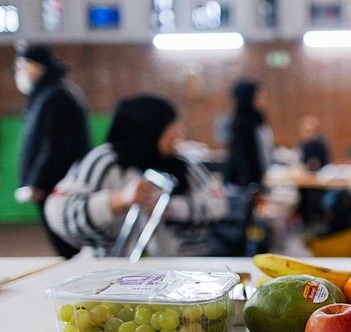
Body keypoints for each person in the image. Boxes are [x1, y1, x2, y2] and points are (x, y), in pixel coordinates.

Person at [44, 95, 229, 257]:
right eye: (171, 126)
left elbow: (219, 204)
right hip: (113, 269)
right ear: (149, 128)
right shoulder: (105, 162)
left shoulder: (183, 164)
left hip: (183, 266)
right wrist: (116, 200)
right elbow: (57, 211)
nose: (179, 132)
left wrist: (170, 208)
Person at [13, 43, 91, 259]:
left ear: (37, 67)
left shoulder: (57, 96)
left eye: (21, 67)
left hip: (57, 185)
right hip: (53, 184)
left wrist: (39, 181)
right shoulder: (46, 95)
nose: (17, 74)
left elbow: (54, 145)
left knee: (69, 247)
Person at [223, 79, 274, 188]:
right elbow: (241, 158)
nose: (262, 99)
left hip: (258, 178)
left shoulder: (257, 119)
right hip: (244, 182)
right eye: (258, 96)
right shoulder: (239, 123)